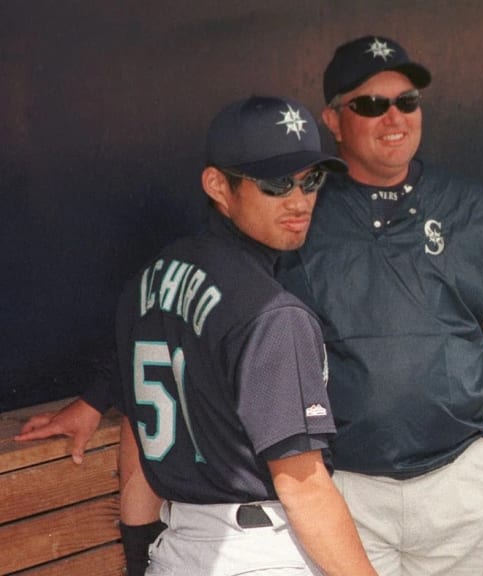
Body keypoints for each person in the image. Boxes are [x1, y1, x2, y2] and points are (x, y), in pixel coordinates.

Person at [272, 35, 483, 576]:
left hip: (460, 477)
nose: (394, 118)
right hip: (347, 489)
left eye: (407, 101)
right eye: (370, 105)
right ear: (333, 121)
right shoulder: (302, 213)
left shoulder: (472, 206)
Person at [112, 95, 376, 576]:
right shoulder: (272, 314)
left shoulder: (147, 283)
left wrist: (137, 554)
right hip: (262, 552)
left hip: (177, 550)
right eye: (276, 183)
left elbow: (135, 434)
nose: (299, 201)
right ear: (218, 185)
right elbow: (303, 487)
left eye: (311, 179)